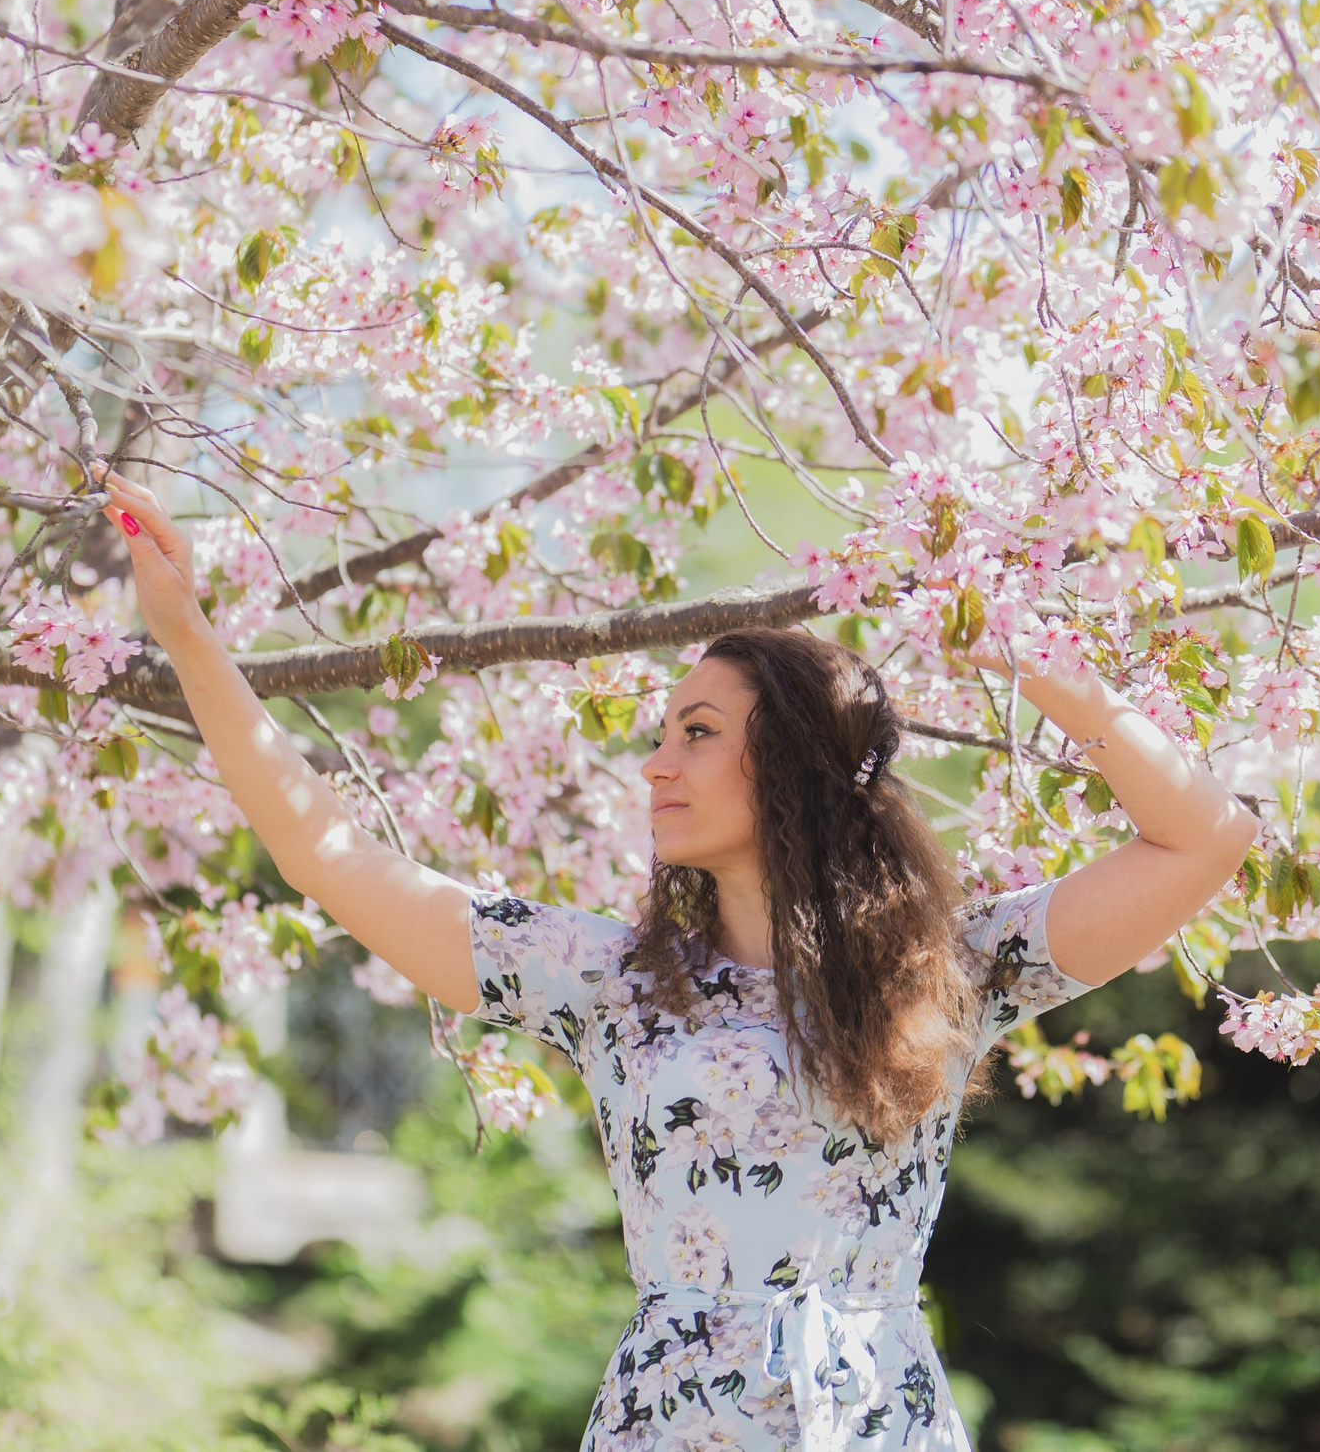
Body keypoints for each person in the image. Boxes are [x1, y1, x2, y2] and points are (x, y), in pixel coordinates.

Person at [92, 467, 1258, 1450]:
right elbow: (324, 851)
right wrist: (189, 635)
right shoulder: (607, 983)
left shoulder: (953, 968)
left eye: (695, 733)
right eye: (659, 735)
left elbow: (1205, 838)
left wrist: (1035, 659)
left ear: (794, 758)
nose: (656, 764)